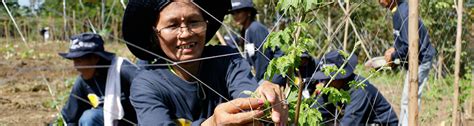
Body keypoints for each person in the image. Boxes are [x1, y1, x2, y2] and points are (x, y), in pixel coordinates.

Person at [122, 0, 287, 125]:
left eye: (194, 22)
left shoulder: (226, 59)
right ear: (155, 34)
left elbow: (246, 94)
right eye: (172, 25)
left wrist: (263, 96)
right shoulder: (146, 84)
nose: (185, 33)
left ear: (206, 25)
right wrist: (211, 123)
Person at [59, 33, 138, 125]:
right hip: (109, 122)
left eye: (79, 61)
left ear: (95, 58)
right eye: (74, 61)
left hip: (136, 121)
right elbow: (70, 117)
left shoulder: (123, 70)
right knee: (89, 118)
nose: (76, 67)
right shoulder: (83, 82)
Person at [379, 0, 436, 125]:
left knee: (410, 99)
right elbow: (403, 38)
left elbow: (409, 44)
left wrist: (393, 56)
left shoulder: (403, 12)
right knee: (406, 98)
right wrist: (394, 49)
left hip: (421, 59)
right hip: (414, 60)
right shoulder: (397, 11)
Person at [311, 50, 399, 125]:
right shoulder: (331, 86)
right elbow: (317, 110)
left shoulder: (359, 90)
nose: (325, 81)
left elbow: (350, 122)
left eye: (328, 78)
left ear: (341, 76)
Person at [229, 0, 284, 84]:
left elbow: (263, 59)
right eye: (233, 13)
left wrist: (257, 82)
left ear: (249, 12)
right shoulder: (245, 31)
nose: (235, 16)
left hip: (271, 76)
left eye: (238, 12)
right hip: (262, 75)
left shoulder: (255, 28)